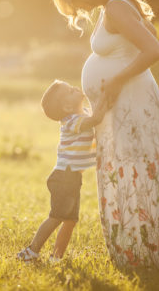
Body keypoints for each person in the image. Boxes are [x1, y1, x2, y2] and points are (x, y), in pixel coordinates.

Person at [51, 0, 159, 267]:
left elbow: (154, 49)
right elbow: (142, 37)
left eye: (74, 0)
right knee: (125, 169)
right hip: (121, 103)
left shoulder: (116, 7)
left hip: (132, 101)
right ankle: (137, 247)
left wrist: (115, 79)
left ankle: (149, 250)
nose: (78, 9)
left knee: (135, 169)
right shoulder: (113, 7)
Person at [17, 80, 107, 262]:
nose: (76, 88)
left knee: (70, 221)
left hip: (72, 179)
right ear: (67, 106)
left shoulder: (83, 114)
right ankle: (31, 251)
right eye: (70, 91)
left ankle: (56, 257)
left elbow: (94, 114)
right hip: (63, 178)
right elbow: (97, 119)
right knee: (57, 217)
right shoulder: (72, 121)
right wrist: (106, 92)